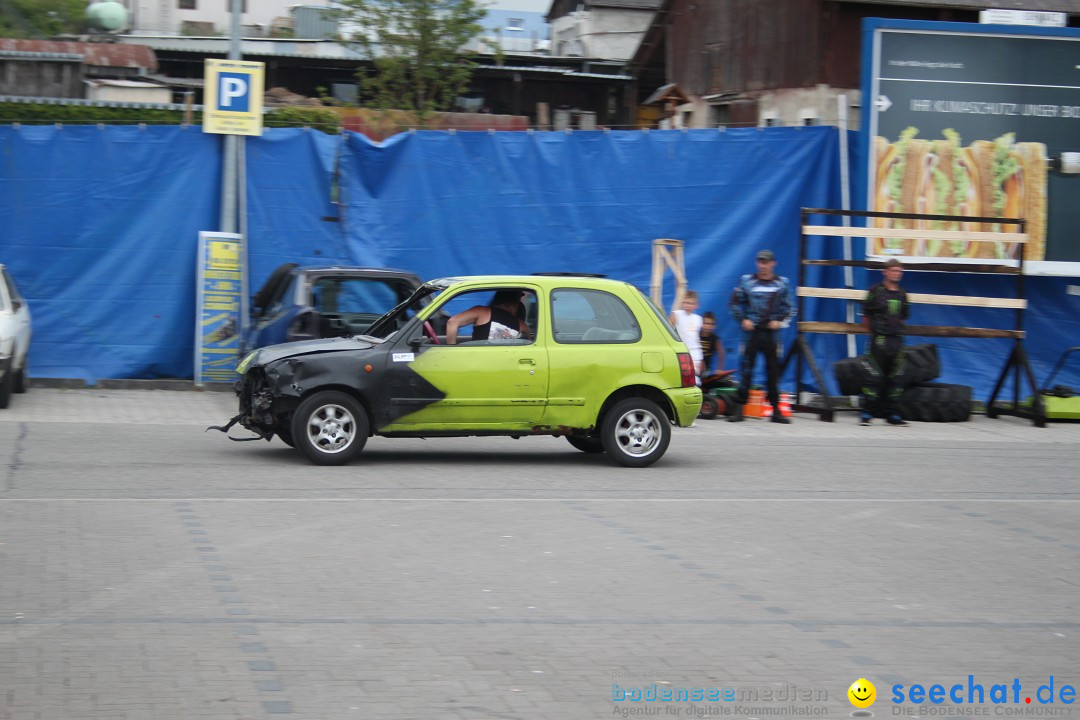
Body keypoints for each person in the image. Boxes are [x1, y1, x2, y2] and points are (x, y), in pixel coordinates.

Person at [727, 249, 796, 423]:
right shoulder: (747, 281)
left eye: (766, 262)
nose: (763, 265)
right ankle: (739, 409)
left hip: (772, 334)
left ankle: (776, 411)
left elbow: (790, 308)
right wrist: (743, 320)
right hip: (751, 333)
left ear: (773, 263)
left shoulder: (782, 284)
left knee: (773, 372)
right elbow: (734, 304)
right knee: (746, 370)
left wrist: (779, 321)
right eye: (760, 262)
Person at [861, 258, 910, 426]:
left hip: (896, 342)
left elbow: (903, 318)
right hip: (878, 341)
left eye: (899, 271)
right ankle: (867, 412)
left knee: (897, 378)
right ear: (885, 272)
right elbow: (866, 315)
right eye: (894, 270)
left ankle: (893, 414)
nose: (897, 274)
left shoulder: (903, 294)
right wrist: (874, 333)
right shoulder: (875, 291)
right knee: (873, 377)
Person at [446, 289, 531, 345]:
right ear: (513, 305)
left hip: (476, 365)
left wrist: (451, 350)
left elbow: (452, 322)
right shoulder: (522, 326)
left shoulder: (481, 312)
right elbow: (530, 344)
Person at [669, 290, 705, 377]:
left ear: (696, 305)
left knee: (695, 380)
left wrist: (701, 359)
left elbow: (697, 340)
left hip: (696, 355)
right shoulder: (676, 315)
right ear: (682, 302)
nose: (688, 305)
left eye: (691, 303)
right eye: (686, 302)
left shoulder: (699, 319)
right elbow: (667, 331)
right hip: (681, 353)